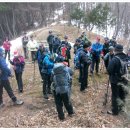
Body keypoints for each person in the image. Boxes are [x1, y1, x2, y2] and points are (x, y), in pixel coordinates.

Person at [107, 44, 129, 115]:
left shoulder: (115, 59)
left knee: (115, 95)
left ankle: (115, 111)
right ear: (122, 50)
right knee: (122, 93)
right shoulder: (126, 57)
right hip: (125, 79)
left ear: (115, 50)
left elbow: (109, 70)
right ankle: (121, 108)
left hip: (115, 80)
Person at [52, 56, 74, 120]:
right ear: (62, 61)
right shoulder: (66, 68)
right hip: (65, 89)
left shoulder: (53, 69)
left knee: (58, 103)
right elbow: (72, 73)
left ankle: (61, 117)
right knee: (67, 101)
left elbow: (51, 78)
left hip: (56, 89)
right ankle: (71, 113)